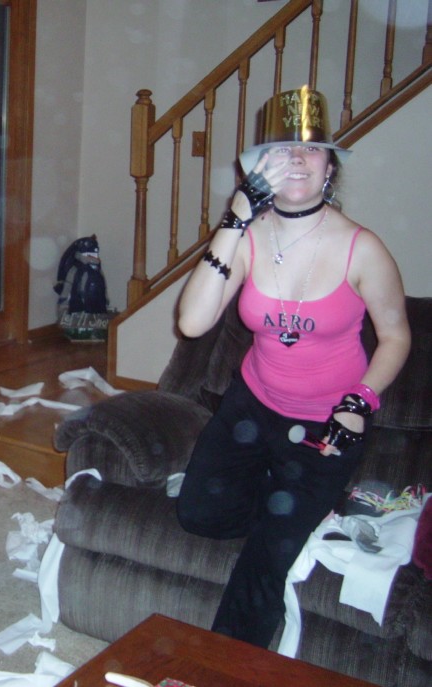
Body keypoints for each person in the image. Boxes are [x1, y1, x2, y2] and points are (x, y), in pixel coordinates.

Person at [175, 86, 411, 648]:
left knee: (265, 559)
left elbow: (396, 336)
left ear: (329, 166)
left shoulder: (362, 248)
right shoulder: (248, 239)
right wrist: (236, 215)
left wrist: (360, 402)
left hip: (330, 423)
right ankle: (292, 504)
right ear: (259, 166)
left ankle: (222, 670)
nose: (298, 159)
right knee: (198, 515)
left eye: (312, 149)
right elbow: (193, 322)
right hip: (252, 405)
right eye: (282, 150)